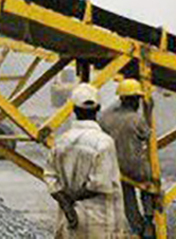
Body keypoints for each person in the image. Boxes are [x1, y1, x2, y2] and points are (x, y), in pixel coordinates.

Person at [44, 83, 126, 239]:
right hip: (99, 223)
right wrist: (72, 198)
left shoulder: (61, 142)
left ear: (74, 110)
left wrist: (66, 204)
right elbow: (98, 183)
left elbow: (50, 177)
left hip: (70, 222)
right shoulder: (104, 142)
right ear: (98, 109)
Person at [100, 79, 155, 239]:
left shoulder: (106, 117)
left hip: (116, 168)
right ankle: (149, 220)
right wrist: (149, 111)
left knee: (127, 196)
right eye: (137, 99)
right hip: (137, 168)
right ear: (133, 100)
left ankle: (137, 227)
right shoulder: (136, 119)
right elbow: (147, 135)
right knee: (149, 186)